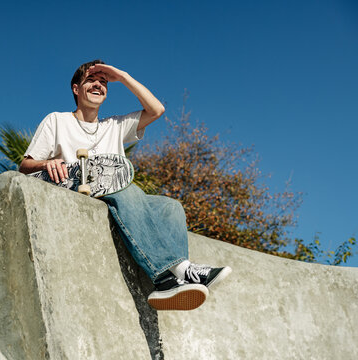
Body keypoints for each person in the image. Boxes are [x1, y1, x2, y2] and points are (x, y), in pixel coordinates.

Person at [19, 60, 231, 311]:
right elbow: (24, 165)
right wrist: (46, 164)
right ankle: (173, 275)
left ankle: (173, 281)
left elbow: (157, 109)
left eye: (104, 82)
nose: (98, 85)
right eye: (91, 80)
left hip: (115, 194)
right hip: (76, 189)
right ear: (76, 88)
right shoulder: (57, 120)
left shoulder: (115, 125)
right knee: (123, 185)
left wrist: (122, 75)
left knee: (169, 206)